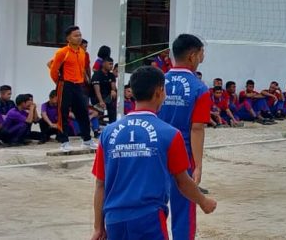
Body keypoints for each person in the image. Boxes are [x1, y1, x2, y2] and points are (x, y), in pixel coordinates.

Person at [90, 66, 216, 240]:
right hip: (149, 219)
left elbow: (100, 185)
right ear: (159, 92)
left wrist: (98, 227)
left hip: (114, 220)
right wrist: (203, 201)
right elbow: (183, 182)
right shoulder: (170, 134)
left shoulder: (108, 133)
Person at [158, 34, 213, 240]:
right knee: (184, 208)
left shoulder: (159, 81)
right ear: (192, 56)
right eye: (201, 52)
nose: (203, 56)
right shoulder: (200, 88)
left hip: (156, 149)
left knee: (156, 204)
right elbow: (197, 128)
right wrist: (197, 165)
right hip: (183, 152)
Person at [49, 25, 95, 152]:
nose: (79, 38)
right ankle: (64, 142)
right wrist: (59, 83)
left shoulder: (82, 52)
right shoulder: (62, 52)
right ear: (68, 38)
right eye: (76, 35)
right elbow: (53, 70)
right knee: (63, 113)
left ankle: (86, 140)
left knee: (82, 112)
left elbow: (82, 69)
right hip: (65, 84)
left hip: (78, 85)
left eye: (80, 35)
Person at [92, 57, 117, 123]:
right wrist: (101, 101)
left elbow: (113, 87)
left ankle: (113, 124)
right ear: (103, 64)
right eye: (110, 64)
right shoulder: (97, 74)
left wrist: (113, 90)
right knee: (103, 105)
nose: (111, 66)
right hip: (96, 97)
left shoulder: (111, 75)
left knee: (113, 103)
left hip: (107, 97)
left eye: (112, 64)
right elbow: (97, 90)